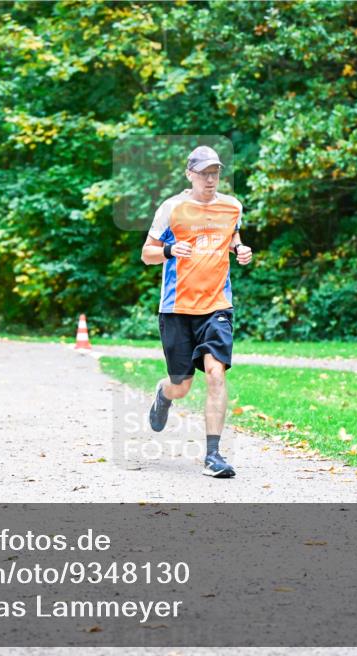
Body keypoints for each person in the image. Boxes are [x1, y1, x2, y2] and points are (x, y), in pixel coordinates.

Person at [140, 146, 253, 478]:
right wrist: (171, 249)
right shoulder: (172, 209)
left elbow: (231, 238)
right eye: (204, 173)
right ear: (189, 174)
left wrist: (240, 249)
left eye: (215, 173)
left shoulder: (232, 206)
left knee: (216, 374)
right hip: (176, 308)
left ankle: (213, 455)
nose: (211, 179)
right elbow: (147, 254)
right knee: (182, 384)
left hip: (216, 305)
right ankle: (164, 394)